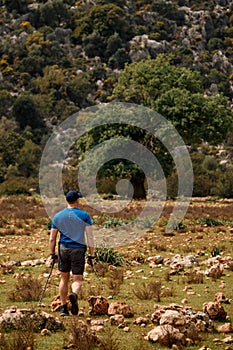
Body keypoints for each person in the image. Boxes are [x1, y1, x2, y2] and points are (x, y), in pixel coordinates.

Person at [49, 190, 94, 316]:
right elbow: (90, 236)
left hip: (63, 248)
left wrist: (52, 254)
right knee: (77, 279)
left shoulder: (58, 216)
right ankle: (74, 294)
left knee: (64, 278)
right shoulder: (84, 215)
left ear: (66, 201)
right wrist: (92, 255)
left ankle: (63, 308)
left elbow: (52, 238)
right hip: (78, 249)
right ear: (77, 200)